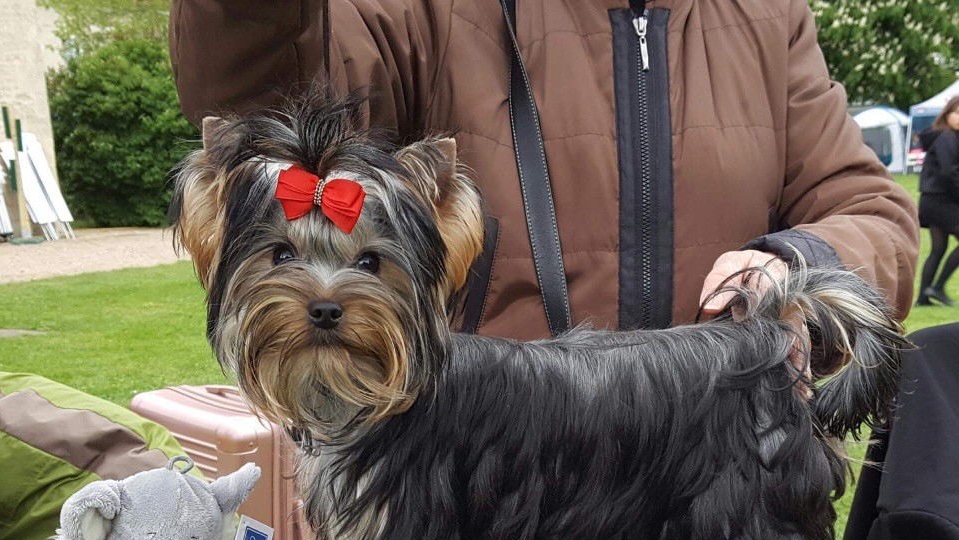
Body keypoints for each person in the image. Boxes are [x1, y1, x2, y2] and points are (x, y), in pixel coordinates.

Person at [168, 0, 917, 340]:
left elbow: (875, 218)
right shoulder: (419, 10)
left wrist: (797, 263)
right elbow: (266, 112)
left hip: (724, 498)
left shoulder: (769, 15)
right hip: (478, 515)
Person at [916, 95, 959, 307]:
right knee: (938, 248)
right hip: (940, 200)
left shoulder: (945, 136)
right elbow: (949, 172)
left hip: (933, 199)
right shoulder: (947, 137)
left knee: (938, 248)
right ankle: (938, 287)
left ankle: (923, 296)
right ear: (947, 114)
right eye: (957, 113)